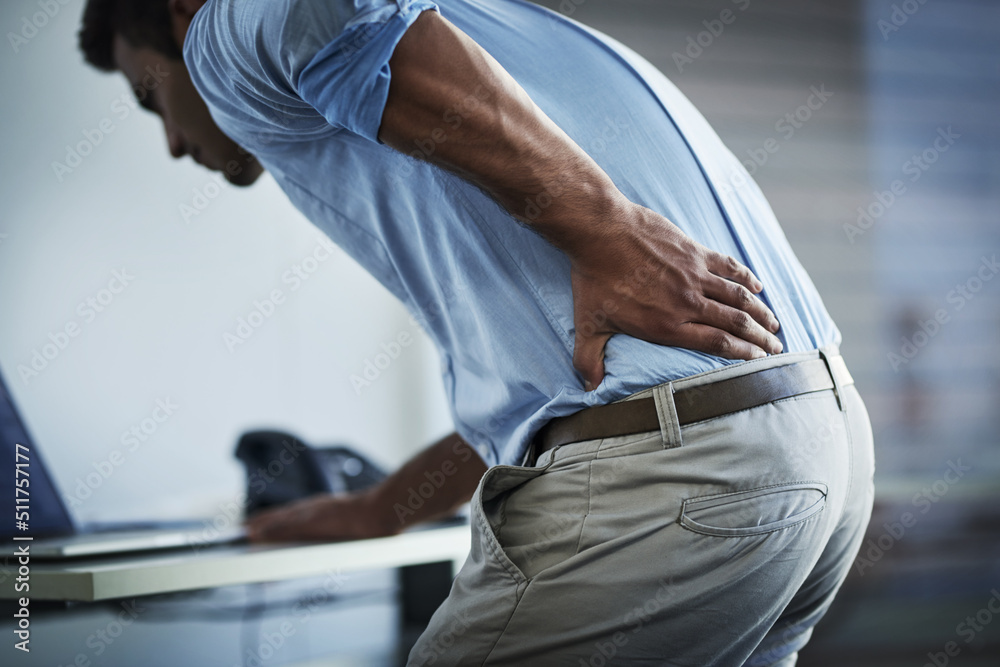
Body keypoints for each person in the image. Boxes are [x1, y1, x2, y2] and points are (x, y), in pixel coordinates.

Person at [78, 0, 874, 664]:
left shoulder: (219, 32)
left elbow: (312, 13)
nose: (175, 144)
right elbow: (578, 392)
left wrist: (607, 231)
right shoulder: (498, 46)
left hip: (696, 474)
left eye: (150, 99)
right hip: (815, 448)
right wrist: (386, 506)